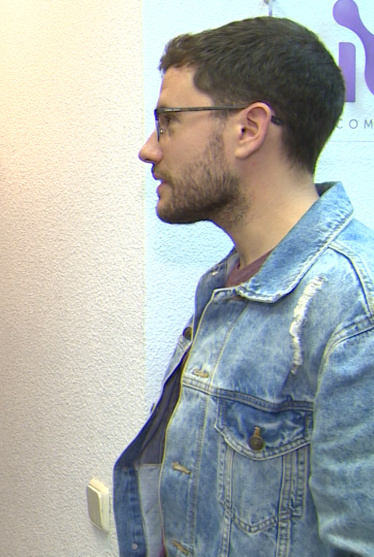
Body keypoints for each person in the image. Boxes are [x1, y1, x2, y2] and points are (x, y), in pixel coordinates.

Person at [115, 17, 374, 556]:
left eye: (168, 121)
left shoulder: (353, 310)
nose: (148, 149)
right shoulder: (221, 285)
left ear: (249, 129)